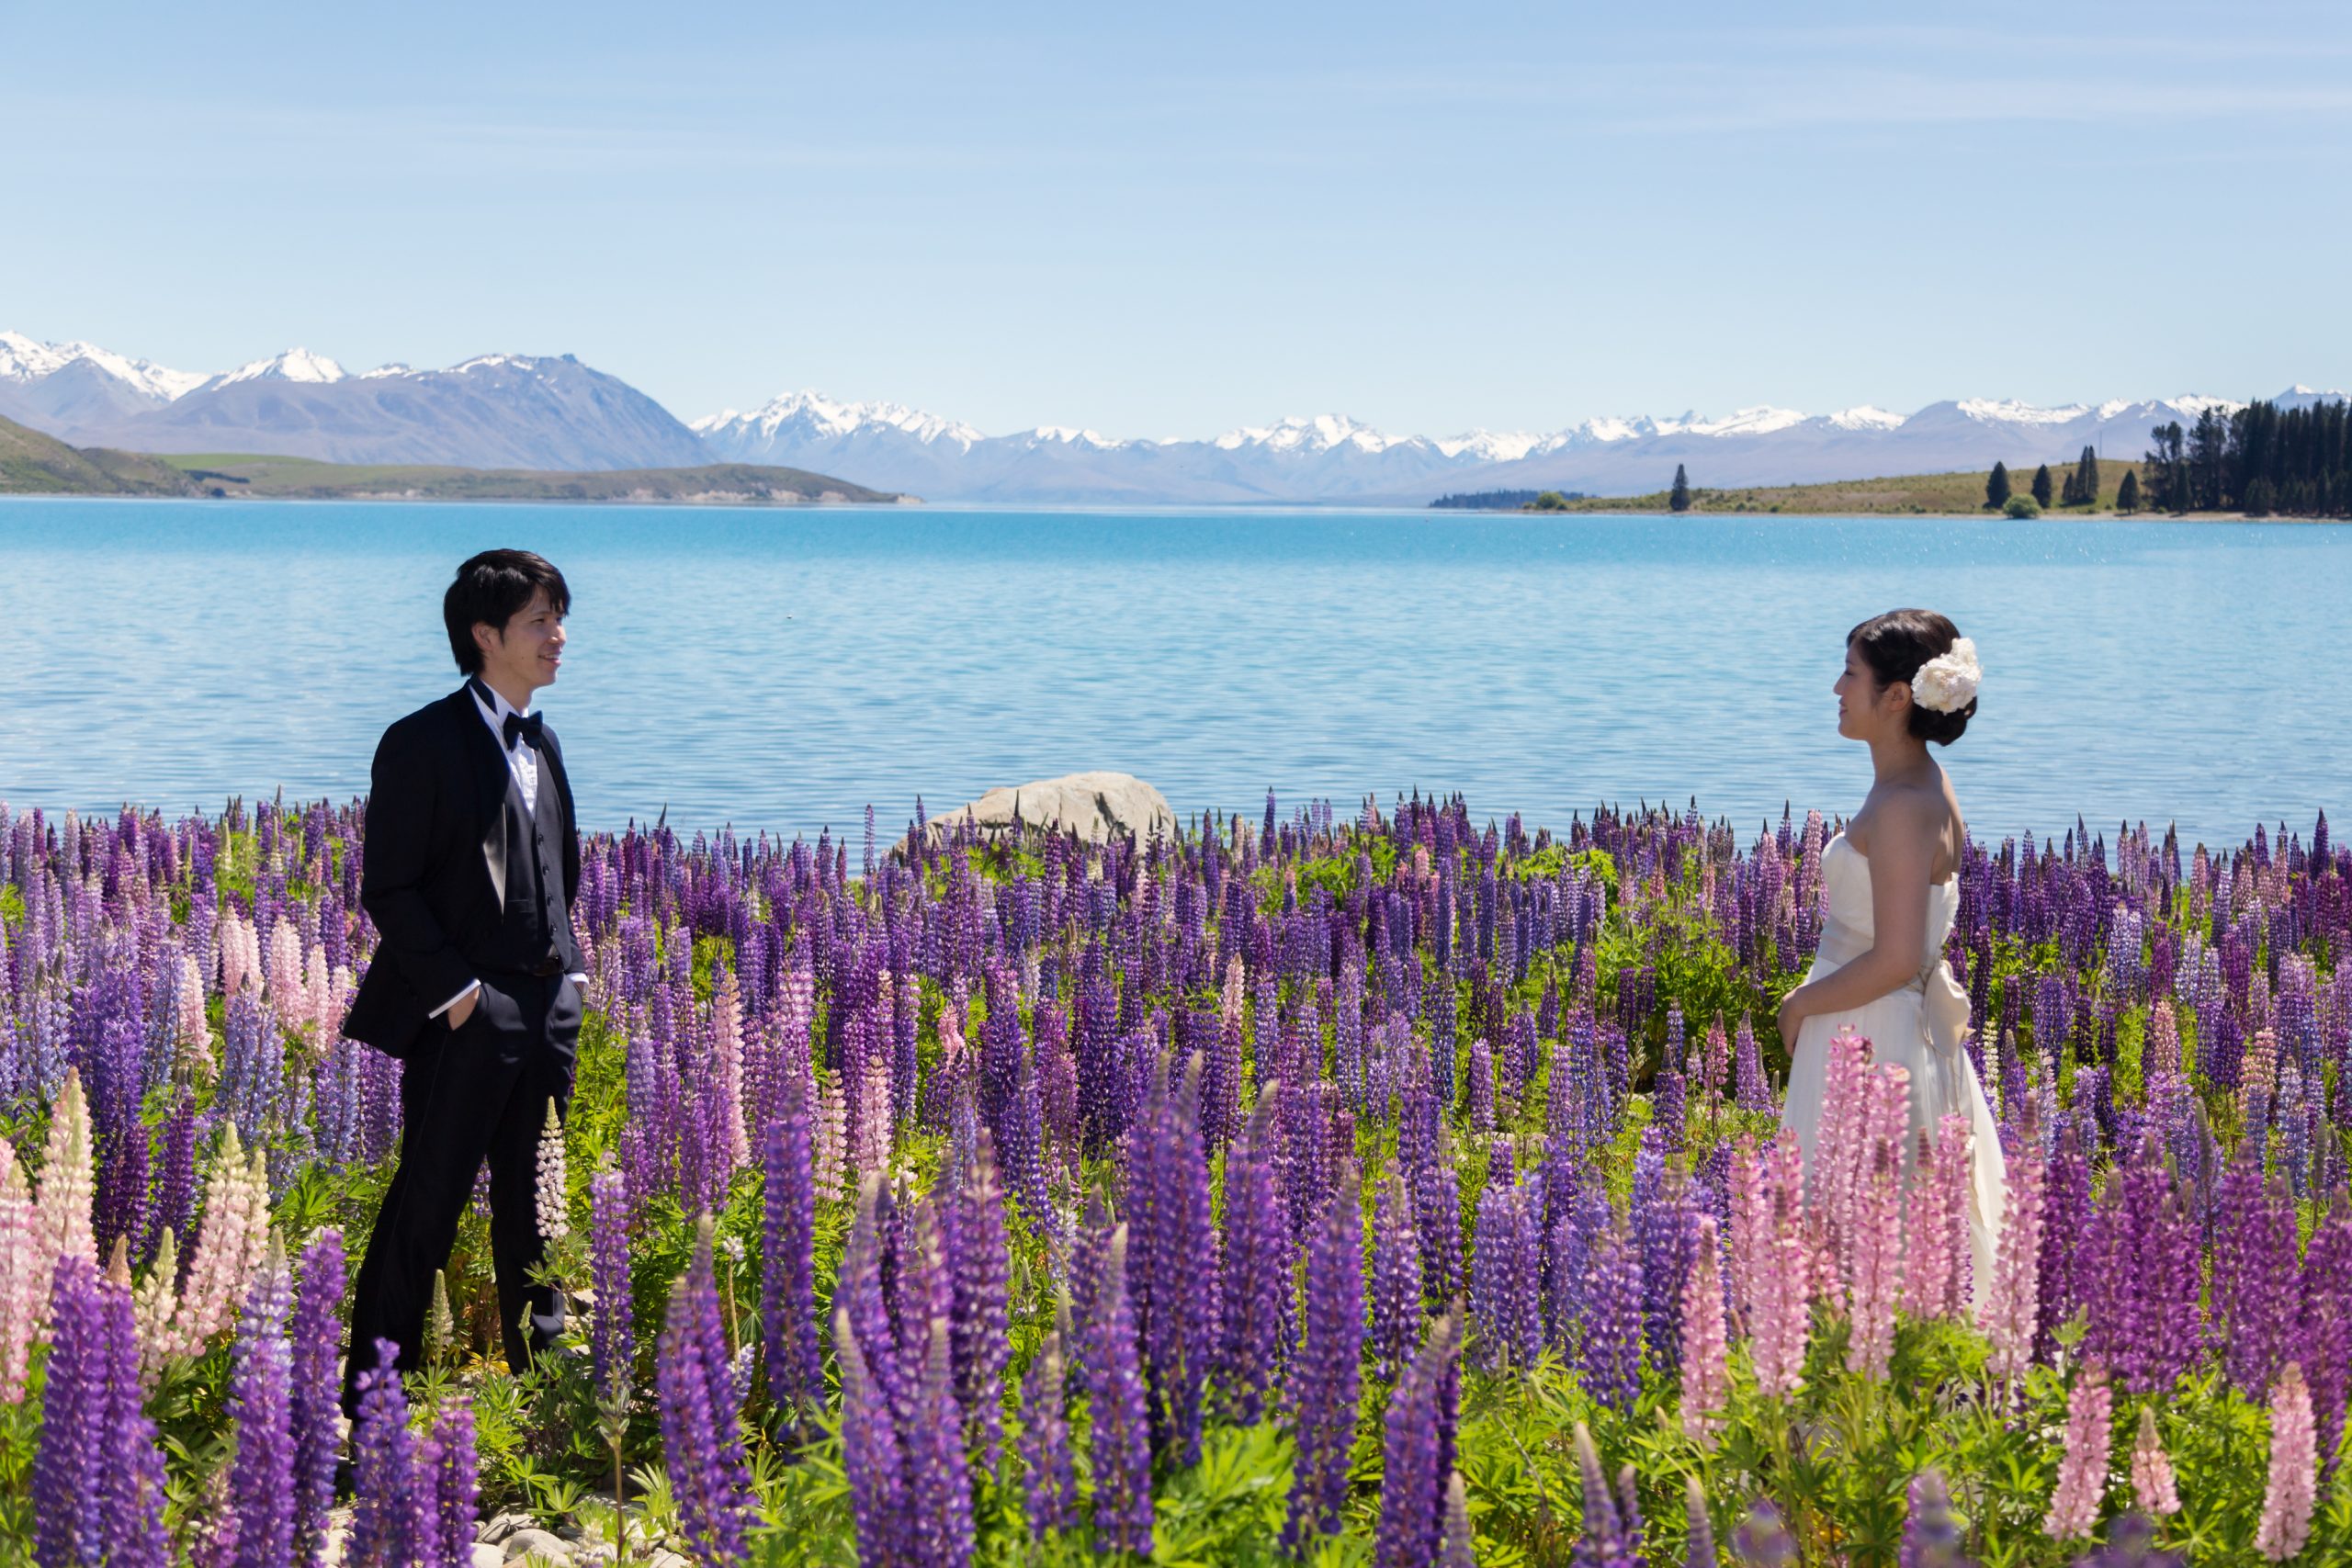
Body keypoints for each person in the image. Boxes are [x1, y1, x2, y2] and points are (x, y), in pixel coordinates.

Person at [341, 549, 585, 1412]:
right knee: (428, 1205)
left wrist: (569, 974)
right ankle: (377, 1401)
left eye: (559, 618)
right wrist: (460, 996)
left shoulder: (542, 740)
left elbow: (561, 872)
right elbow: (389, 887)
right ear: (485, 634)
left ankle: (544, 1399)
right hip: (467, 1012)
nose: (559, 635)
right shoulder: (420, 741)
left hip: (546, 1007)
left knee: (538, 1209)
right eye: (539, 620)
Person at [1773, 608, 2006, 1300]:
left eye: (1851, 673)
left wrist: (1798, 1005)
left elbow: (1898, 955)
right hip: (1889, 1025)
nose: (1836, 688)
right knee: (1883, 1232)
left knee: (1869, 1235)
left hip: (1872, 1035)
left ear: (1897, 696)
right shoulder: (1920, 782)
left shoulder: (1905, 803)